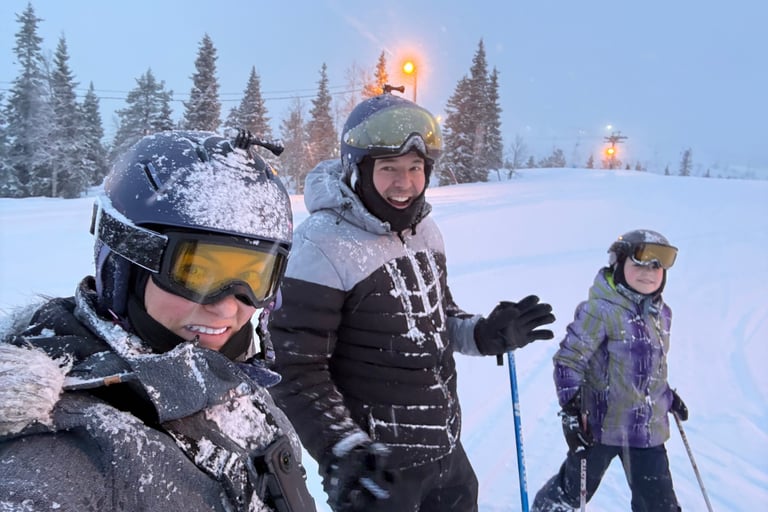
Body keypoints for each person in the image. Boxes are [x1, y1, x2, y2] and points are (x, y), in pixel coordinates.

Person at [266, 87, 556, 511]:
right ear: (358, 168)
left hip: (445, 454)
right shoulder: (322, 244)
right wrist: (342, 448)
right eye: (389, 168)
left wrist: (486, 334)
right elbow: (293, 367)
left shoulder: (425, 231)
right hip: (379, 473)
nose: (405, 183)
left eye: (415, 168)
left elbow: (440, 317)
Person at [0, 130, 317, 511]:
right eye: (197, 273)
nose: (228, 308)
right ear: (125, 266)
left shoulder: (230, 378)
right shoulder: (62, 447)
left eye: (254, 276)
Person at [531, 229, 686, 512]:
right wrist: (573, 409)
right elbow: (569, 360)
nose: (648, 272)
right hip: (601, 427)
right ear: (618, 265)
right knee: (571, 492)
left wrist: (667, 397)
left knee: (659, 504)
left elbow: (652, 368)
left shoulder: (662, 314)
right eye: (638, 263)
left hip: (646, 430)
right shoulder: (599, 310)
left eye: (657, 266)